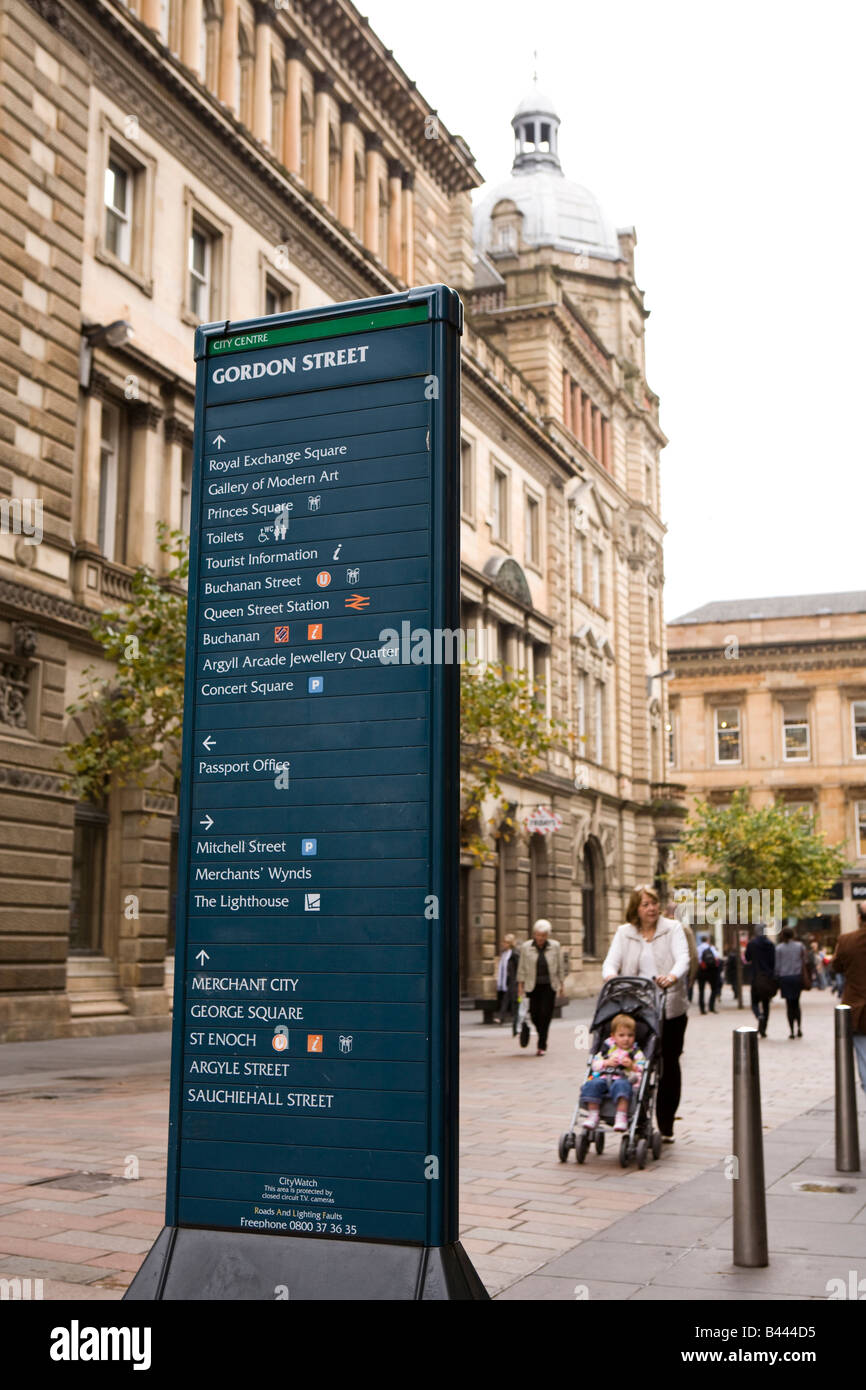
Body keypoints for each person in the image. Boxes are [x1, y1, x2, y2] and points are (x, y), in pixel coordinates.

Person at [602, 884, 689, 1143]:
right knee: (636, 1061)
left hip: (670, 1006)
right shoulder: (624, 933)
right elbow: (610, 961)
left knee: (669, 1063)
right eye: (645, 904)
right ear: (635, 909)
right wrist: (611, 977)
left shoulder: (672, 928)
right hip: (636, 1008)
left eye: (654, 903)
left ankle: (666, 1124)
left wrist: (672, 976)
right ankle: (636, 1115)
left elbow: (683, 958)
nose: (652, 908)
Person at [581, 1013, 648, 1133]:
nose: (626, 1039)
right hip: (604, 1078)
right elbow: (595, 1065)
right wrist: (606, 1062)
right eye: (621, 1035)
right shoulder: (607, 1049)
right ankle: (593, 1115)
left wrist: (632, 1066)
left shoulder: (636, 1052)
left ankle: (621, 1116)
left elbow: (643, 1068)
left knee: (621, 1086)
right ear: (613, 1036)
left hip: (623, 1080)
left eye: (630, 1035)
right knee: (592, 1084)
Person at [831, 904, 866, 1096]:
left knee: (865, 1060)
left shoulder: (847, 941)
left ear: (860, 918)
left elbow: (836, 967)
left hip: (859, 1009)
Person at [517, 919, 564, 1057]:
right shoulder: (526, 947)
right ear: (534, 934)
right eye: (538, 935)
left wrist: (562, 984)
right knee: (535, 1014)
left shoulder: (555, 946)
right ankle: (540, 1031)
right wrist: (520, 986)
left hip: (549, 986)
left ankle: (542, 1043)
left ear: (547, 935)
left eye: (543, 935)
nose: (540, 938)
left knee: (546, 1014)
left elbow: (560, 966)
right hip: (533, 986)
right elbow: (522, 967)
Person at [744, 925, 776, 1038]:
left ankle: (759, 1016)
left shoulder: (752, 944)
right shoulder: (771, 944)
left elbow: (747, 958)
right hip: (767, 978)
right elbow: (773, 962)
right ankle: (763, 1029)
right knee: (766, 1005)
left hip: (755, 977)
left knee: (754, 1003)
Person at [774, 927, 806, 1038]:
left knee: (789, 1005)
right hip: (796, 977)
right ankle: (799, 1028)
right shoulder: (800, 946)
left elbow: (777, 966)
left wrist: (777, 977)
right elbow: (804, 962)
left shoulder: (779, 948)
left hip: (785, 978)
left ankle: (792, 1030)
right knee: (796, 1004)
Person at [665, 901, 698, 1002]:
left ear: (666, 912)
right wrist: (692, 976)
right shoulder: (684, 929)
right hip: (680, 975)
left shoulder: (657, 928)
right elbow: (693, 955)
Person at [495, 934, 518, 1027]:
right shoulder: (504, 954)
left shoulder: (514, 954)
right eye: (504, 942)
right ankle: (515, 1018)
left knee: (509, 999)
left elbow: (518, 967)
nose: (504, 944)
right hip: (505, 980)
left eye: (506, 942)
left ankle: (502, 1017)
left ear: (511, 943)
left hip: (513, 980)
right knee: (509, 999)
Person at [696, 935, 721, 1014]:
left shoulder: (698, 948)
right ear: (707, 940)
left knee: (701, 990)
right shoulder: (711, 948)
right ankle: (711, 1006)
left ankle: (702, 1008)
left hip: (701, 970)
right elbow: (717, 957)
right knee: (714, 989)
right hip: (711, 971)